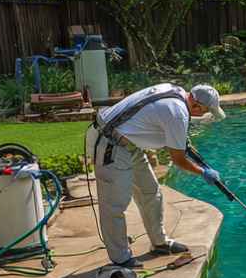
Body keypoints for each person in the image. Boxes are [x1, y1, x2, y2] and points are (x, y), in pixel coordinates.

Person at [88, 82, 224, 267]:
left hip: (130, 143)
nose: (204, 114)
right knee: (114, 206)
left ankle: (159, 243)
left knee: (151, 193)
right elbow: (178, 159)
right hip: (110, 144)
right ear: (196, 104)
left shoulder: (174, 90)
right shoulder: (178, 113)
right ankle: (121, 259)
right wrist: (203, 172)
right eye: (206, 110)